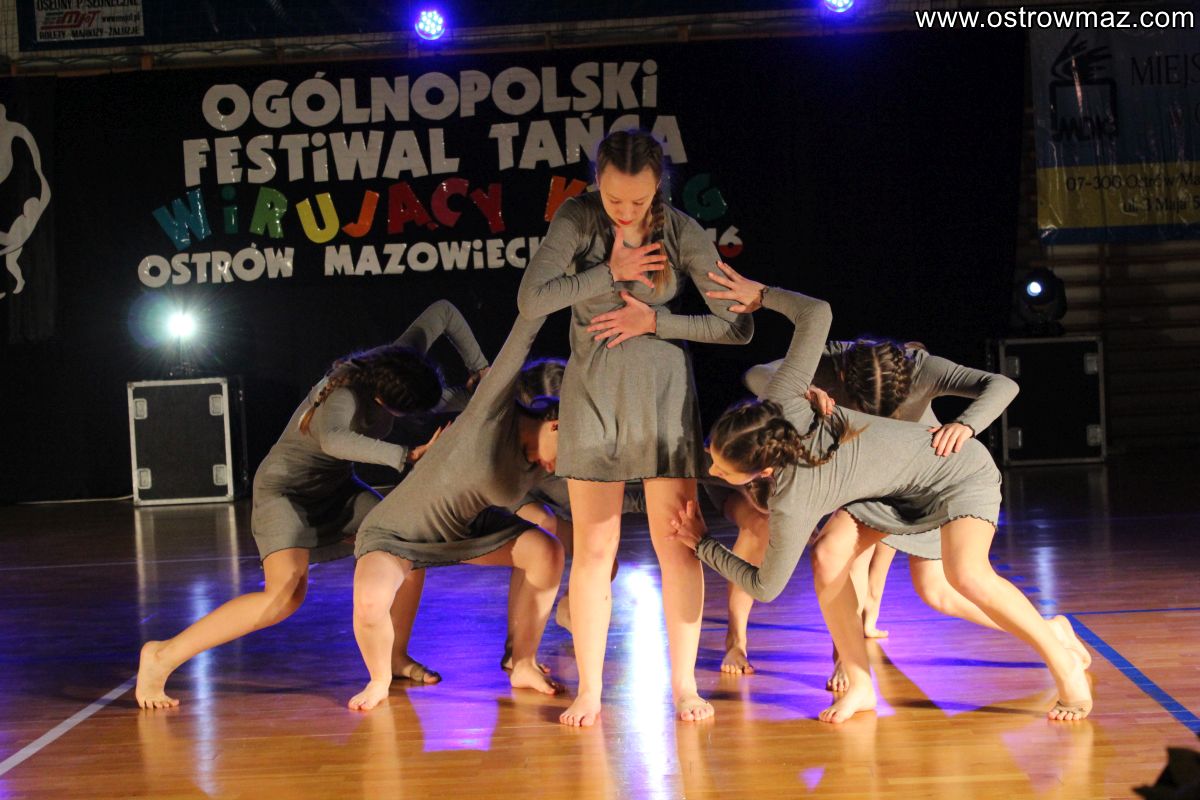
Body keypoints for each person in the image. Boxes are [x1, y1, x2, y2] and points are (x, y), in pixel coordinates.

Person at [668, 261, 1092, 724]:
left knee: (964, 575)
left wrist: (702, 544)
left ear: (763, 467)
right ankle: (860, 684)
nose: (712, 470)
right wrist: (765, 299)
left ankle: (1062, 661)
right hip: (888, 494)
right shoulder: (786, 409)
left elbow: (764, 586)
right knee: (829, 556)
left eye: (721, 467)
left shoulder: (789, 441)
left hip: (954, 474)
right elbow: (816, 315)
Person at [135, 300, 487, 709]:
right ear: (381, 399)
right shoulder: (340, 394)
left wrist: (483, 373)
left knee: (407, 549)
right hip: (286, 493)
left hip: (336, 488)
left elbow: (443, 312)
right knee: (284, 596)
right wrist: (406, 455)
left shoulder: (398, 361)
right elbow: (333, 440)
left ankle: (393, 655)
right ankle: (161, 656)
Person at [516, 129, 753, 726]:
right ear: (597, 182)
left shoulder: (679, 230)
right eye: (614, 198)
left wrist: (657, 322)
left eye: (639, 200)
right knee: (595, 551)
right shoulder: (577, 218)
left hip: (662, 404)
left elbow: (737, 327)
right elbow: (531, 300)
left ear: (658, 187)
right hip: (594, 400)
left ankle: (683, 686)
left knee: (679, 546)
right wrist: (608, 272)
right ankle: (590, 691)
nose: (625, 211)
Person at [728, 339, 1031, 688]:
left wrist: (967, 424)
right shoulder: (828, 362)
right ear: (843, 377)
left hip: (922, 479)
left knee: (936, 590)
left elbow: (1002, 384)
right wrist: (800, 389)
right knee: (841, 555)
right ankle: (845, 657)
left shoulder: (922, 367)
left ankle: (1046, 632)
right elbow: (756, 374)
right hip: (864, 478)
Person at [348, 313, 566, 711]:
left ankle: (522, 662)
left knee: (547, 551)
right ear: (555, 424)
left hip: (467, 530)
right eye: (567, 452)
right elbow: (524, 328)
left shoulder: (541, 465)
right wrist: (564, 288)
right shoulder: (493, 413)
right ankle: (380, 677)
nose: (561, 465)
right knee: (370, 603)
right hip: (398, 533)